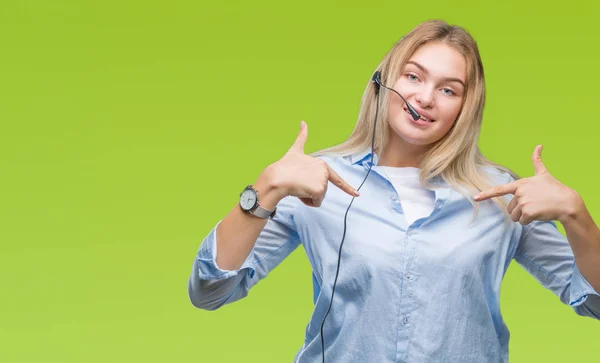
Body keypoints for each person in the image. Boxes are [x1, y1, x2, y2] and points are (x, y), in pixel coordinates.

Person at [187, 19, 600, 362]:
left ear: (465, 106)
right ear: (382, 81)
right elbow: (210, 292)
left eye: (448, 89)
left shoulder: (500, 194)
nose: (425, 97)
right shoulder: (314, 181)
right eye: (413, 76)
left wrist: (577, 216)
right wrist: (267, 186)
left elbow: (594, 303)